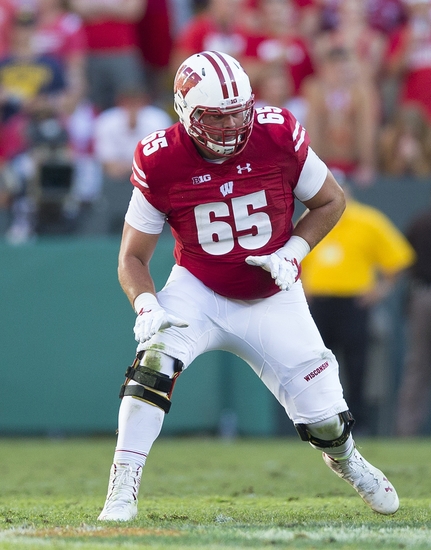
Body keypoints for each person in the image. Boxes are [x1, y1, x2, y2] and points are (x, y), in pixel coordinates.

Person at [97, 50, 400, 522]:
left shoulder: (277, 133)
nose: (232, 127)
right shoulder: (160, 159)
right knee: (152, 362)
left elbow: (330, 201)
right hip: (198, 287)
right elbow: (132, 257)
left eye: (239, 113)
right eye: (216, 118)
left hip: (272, 293)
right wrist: (146, 305)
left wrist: (292, 253)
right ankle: (122, 488)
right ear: (186, 112)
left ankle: (348, 460)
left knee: (326, 422)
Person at [300, 177, 415, 433]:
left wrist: (379, 291)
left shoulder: (367, 220)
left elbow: (398, 260)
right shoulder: (310, 219)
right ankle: (319, 421)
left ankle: (356, 422)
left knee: (356, 365)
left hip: (353, 303)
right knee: (316, 364)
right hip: (319, 303)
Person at [396, 200, 431, 436]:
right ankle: (405, 432)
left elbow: (405, 261)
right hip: (423, 292)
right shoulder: (422, 223)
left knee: (417, 366)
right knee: (417, 366)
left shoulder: (421, 222)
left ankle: (405, 432)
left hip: (422, 295)